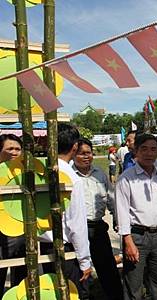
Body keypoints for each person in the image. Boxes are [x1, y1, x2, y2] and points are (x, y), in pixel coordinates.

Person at [115, 133, 157, 300]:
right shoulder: (126, 179)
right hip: (137, 237)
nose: (149, 153)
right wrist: (127, 241)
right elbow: (121, 212)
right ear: (136, 151)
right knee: (133, 284)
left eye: (153, 149)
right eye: (144, 149)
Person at [40, 124, 92, 299]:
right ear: (75, 146)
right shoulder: (71, 177)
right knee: (74, 292)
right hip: (66, 250)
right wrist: (84, 260)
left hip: (45, 246)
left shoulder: (40, 172)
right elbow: (76, 224)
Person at [73, 138, 123, 300]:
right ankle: (84, 296)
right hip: (77, 230)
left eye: (89, 153)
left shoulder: (100, 174)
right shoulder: (69, 175)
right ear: (74, 154)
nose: (86, 156)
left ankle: (114, 295)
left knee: (107, 266)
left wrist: (116, 218)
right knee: (80, 268)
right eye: (82, 153)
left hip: (98, 227)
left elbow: (111, 199)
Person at [0, 134, 27, 297]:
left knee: (21, 281)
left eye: (18, 149)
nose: (14, 152)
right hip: (1, 234)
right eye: (9, 148)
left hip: (21, 232)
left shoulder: (25, 174)